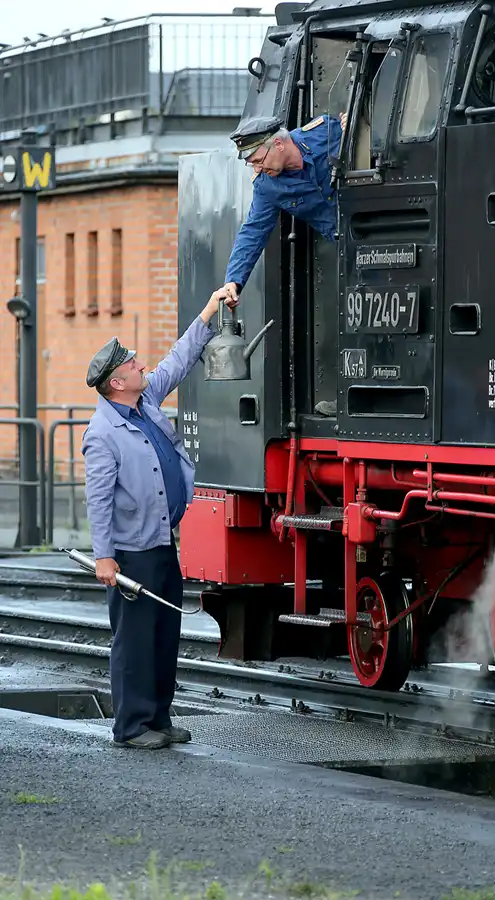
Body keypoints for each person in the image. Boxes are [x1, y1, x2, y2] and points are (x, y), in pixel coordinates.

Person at [81, 289, 227, 750]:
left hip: (162, 541)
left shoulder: (144, 404)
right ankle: (130, 727)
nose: (141, 365)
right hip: (131, 552)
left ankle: (158, 718)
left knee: (165, 635)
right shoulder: (102, 432)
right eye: (130, 365)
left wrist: (209, 310)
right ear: (115, 383)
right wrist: (104, 557)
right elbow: (99, 498)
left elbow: (180, 358)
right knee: (135, 641)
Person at [222, 112, 347, 417]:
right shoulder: (267, 187)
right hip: (346, 246)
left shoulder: (327, 131)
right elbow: (252, 232)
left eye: (256, 158)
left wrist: (357, 122)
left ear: (278, 143)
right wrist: (233, 280)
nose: (255, 166)